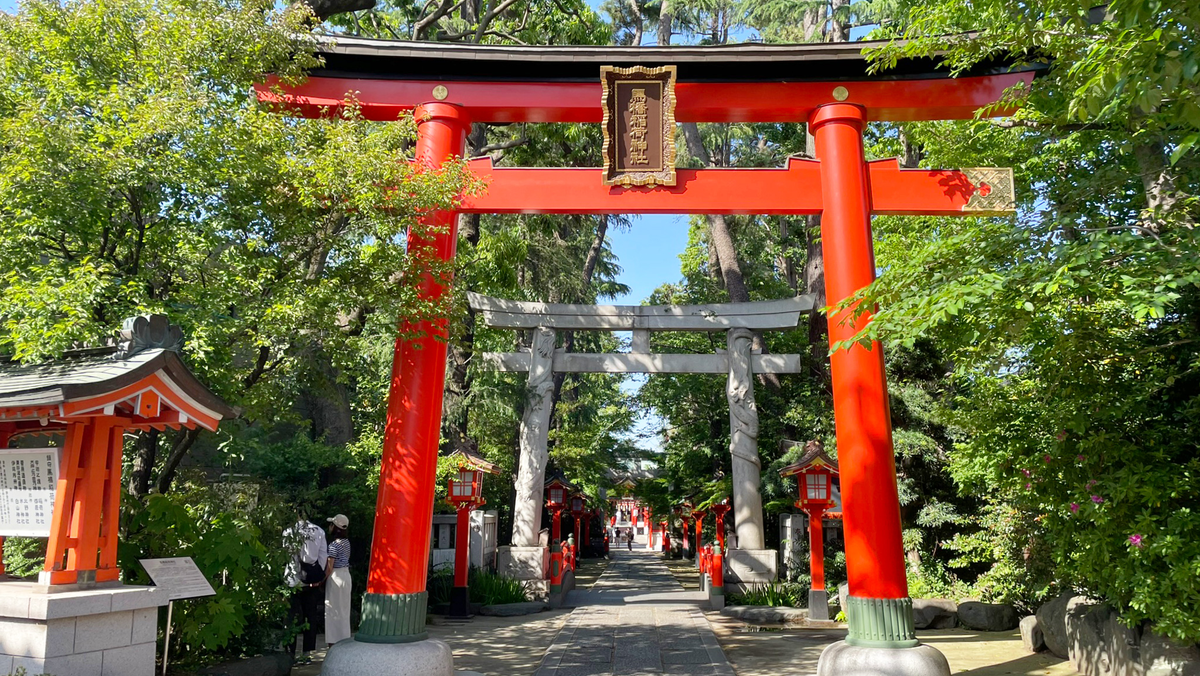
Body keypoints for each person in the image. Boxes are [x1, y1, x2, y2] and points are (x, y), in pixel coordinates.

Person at [284, 516, 327, 657]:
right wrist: (317, 575)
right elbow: (323, 556)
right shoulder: (319, 531)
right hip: (311, 581)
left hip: (293, 579)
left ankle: (290, 652)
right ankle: (307, 652)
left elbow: (286, 555)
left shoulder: (289, 531)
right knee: (310, 616)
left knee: (291, 617)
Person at [324, 514, 352, 646]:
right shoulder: (347, 543)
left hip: (336, 576)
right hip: (346, 575)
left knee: (332, 610)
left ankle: (333, 641)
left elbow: (329, 567)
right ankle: (344, 639)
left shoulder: (334, 545)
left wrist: (321, 580)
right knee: (344, 610)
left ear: (335, 528)